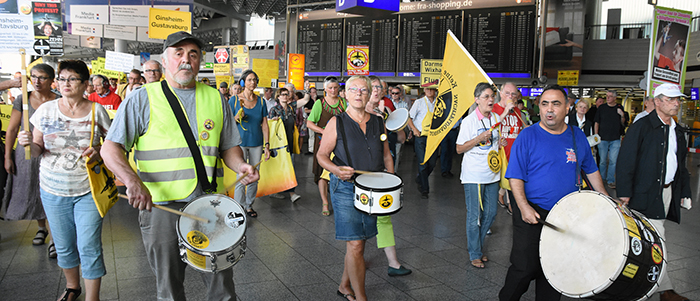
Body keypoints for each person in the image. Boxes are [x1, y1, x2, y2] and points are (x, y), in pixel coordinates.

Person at [101, 31, 259, 301]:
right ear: (165, 61)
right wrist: (132, 181)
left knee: (222, 285)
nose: (186, 59)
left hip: (210, 205)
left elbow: (228, 147)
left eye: (193, 54)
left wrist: (241, 164)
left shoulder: (215, 98)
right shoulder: (142, 98)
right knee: (169, 286)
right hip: (162, 206)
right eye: (179, 53)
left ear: (199, 61)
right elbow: (110, 148)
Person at [499, 85, 607, 301]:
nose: (549, 109)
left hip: (566, 213)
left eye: (556, 104)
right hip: (532, 211)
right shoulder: (527, 136)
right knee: (524, 266)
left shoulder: (577, 136)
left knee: (555, 270)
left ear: (567, 108)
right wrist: (523, 207)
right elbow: (515, 176)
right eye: (544, 104)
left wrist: (606, 199)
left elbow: (591, 169)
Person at [18, 60, 111, 301]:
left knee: (89, 245)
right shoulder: (46, 111)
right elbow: (38, 150)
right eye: (62, 78)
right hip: (52, 190)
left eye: (72, 79)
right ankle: (72, 287)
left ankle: (93, 297)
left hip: (88, 190)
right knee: (63, 244)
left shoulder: (96, 111)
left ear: (84, 84)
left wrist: (98, 151)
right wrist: (28, 144)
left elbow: (110, 146)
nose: (65, 83)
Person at [316, 75, 394, 301]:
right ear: (345, 94)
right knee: (356, 243)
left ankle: (344, 286)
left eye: (364, 90)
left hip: (372, 190)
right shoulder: (336, 122)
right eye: (354, 89)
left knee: (359, 242)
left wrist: (391, 180)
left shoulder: (379, 122)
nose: (359, 93)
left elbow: (386, 155)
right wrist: (336, 170)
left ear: (370, 94)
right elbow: (322, 156)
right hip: (345, 189)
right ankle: (361, 298)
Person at [617, 83, 691, 301]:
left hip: (667, 192)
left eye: (678, 99)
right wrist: (624, 193)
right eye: (671, 99)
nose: (676, 103)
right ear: (657, 101)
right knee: (658, 238)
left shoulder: (677, 130)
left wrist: (685, 191)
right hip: (645, 192)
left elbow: (681, 164)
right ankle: (665, 290)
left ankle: (640, 283)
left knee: (650, 240)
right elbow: (626, 160)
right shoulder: (642, 126)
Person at [4, 64, 58, 258]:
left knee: (52, 190)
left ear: (52, 80)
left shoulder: (59, 100)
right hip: (26, 153)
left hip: (51, 152)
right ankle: (41, 228)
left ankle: (54, 238)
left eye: (42, 77)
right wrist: (8, 156)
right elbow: (11, 129)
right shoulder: (23, 99)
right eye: (33, 77)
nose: (36, 81)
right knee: (32, 189)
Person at [456, 83, 502, 269]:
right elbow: (459, 149)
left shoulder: (496, 118)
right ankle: (475, 252)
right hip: (474, 173)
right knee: (475, 215)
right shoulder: (469, 121)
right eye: (486, 97)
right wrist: (478, 139)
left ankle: (478, 247)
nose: (491, 100)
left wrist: (499, 142)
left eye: (492, 96)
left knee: (491, 213)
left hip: (492, 172)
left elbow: (494, 143)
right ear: (476, 100)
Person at [229, 69, 270, 218]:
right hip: (239, 143)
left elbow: (265, 124)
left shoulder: (261, 101)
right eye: (249, 80)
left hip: (256, 142)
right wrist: (236, 117)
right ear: (243, 82)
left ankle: (249, 206)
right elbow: (227, 122)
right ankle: (238, 207)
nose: (252, 83)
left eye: (255, 80)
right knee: (241, 175)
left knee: (254, 175)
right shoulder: (234, 100)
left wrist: (267, 145)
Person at [307, 76, 346, 216]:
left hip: (340, 143)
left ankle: (339, 200)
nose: (333, 90)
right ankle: (325, 202)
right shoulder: (320, 103)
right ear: (325, 89)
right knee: (322, 174)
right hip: (322, 143)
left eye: (335, 87)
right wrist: (324, 131)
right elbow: (310, 123)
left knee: (339, 171)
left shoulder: (343, 103)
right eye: (330, 88)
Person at [268, 87, 301, 202]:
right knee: (283, 167)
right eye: (282, 94)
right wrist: (274, 121)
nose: (285, 96)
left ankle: (285, 191)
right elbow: (269, 126)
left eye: (287, 94)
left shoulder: (291, 108)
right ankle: (289, 193)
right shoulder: (274, 110)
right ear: (277, 97)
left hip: (290, 141)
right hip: (279, 144)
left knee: (289, 166)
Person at [492, 82, 519, 214]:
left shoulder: (517, 111)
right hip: (499, 154)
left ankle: (509, 203)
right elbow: (491, 128)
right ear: (500, 94)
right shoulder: (494, 109)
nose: (510, 96)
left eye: (513, 94)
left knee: (511, 180)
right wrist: (506, 111)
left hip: (513, 153)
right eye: (507, 93)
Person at [407, 86, 439, 199]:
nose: (429, 91)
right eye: (427, 89)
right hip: (421, 137)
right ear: (424, 90)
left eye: (432, 89)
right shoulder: (418, 103)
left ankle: (420, 178)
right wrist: (414, 130)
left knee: (433, 162)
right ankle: (425, 189)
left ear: (435, 90)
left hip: (434, 137)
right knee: (422, 163)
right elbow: (409, 117)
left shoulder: (439, 103)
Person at [594, 90, 625, 189]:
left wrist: (622, 115)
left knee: (613, 161)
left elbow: (623, 123)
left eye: (610, 96)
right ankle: (602, 179)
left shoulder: (619, 108)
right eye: (607, 96)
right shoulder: (602, 108)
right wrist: (596, 135)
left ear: (615, 98)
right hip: (602, 138)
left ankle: (610, 180)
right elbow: (596, 122)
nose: (608, 98)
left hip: (615, 138)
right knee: (602, 160)